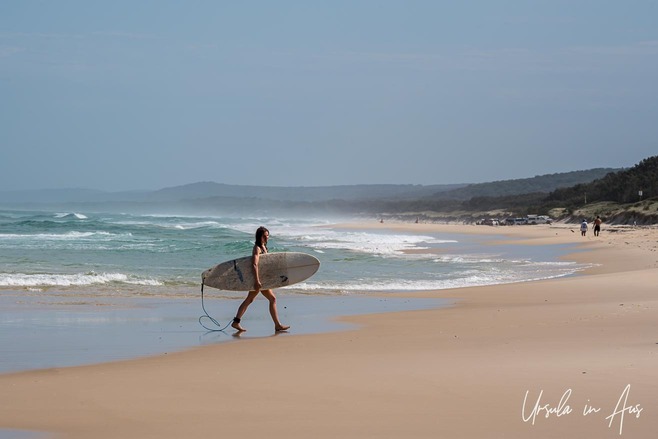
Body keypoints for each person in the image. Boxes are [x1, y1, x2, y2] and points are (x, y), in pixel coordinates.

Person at [231, 227, 290, 333]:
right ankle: (277, 325)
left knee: (250, 300)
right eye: (265, 235)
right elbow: (254, 264)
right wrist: (257, 280)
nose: (267, 237)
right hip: (258, 280)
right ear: (260, 236)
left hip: (262, 279)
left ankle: (236, 321)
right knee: (271, 299)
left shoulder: (264, 247)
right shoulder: (257, 248)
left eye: (268, 235)